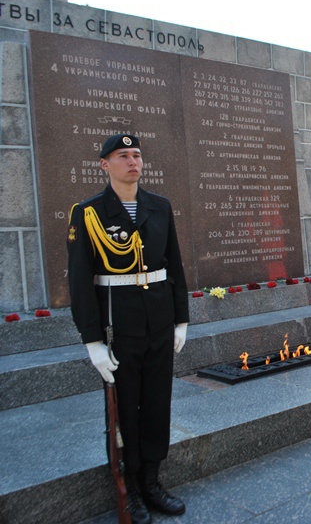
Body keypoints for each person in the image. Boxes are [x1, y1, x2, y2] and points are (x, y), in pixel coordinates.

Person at [68, 134, 189, 523]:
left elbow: (174, 266)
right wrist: (92, 342)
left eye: (136, 155)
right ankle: (131, 488)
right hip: (117, 327)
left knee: (157, 405)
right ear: (104, 164)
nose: (132, 161)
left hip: (158, 322)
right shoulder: (88, 213)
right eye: (122, 156)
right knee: (127, 413)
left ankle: (152, 481)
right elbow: (80, 281)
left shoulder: (160, 207)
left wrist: (181, 319)